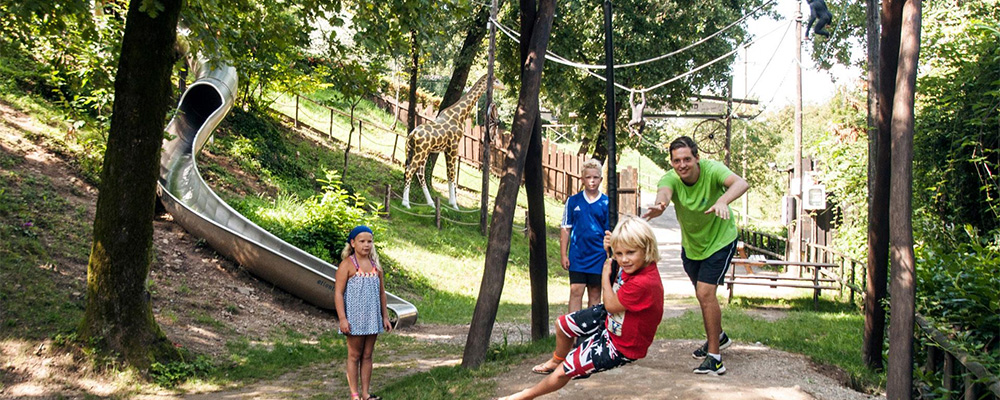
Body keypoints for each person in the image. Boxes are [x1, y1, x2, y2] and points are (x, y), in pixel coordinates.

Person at [504, 216, 664, 400]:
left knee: (564, 371)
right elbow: (617, 274)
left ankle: (524, 396)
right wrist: (610, 251)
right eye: (619, 253)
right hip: (614, 320)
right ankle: (557, 359)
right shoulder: (635, 265)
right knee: (562, 325)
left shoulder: (644, 282)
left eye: (630, 253)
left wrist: (604, 275)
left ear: (647, 249)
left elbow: (611, 305)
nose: (624, 259)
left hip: (622, 344)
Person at [642, 136, 748, 376]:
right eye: (677, 161)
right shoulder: (671, 178)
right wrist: (660, 205)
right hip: (692, 246)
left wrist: (722, 200)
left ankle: (715, 358)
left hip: (721, 239)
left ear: (697, 158)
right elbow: (664, 193)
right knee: (703, 296)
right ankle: (719, 337)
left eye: (687, 159)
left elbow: (741, 183)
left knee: (705, 293)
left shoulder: (712, 170)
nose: (682, 165)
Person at [335, 225, 393, 400]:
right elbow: (338, 293)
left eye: (369, 241)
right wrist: (343, 319)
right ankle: (355, 394)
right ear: (353, 243)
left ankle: (366, 393)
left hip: (372, 318)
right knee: (354, 355)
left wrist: (385, 316)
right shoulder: (347, 265)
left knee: (367, 355)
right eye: (362, 241)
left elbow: (381, 293)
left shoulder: (376, 266)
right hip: (354, 319)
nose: (366, 245)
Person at [560, 159, 610, 313]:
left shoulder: (606, 203)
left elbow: (610, 233)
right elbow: (565, 228)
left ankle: (591, 327)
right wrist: (563, 254)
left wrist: (609, 257)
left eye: (595, 177)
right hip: (578, 255)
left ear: (601, 179)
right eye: (588, 177)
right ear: (582, 179)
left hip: (598, 255)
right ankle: (573, 326)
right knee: (576, 290)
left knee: (595, 292)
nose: (592, 181)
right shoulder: (573, 201)